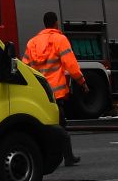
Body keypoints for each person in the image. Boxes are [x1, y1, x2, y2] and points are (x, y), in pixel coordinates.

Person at [24, 10, 88, 167]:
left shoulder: (32, 43)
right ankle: (67, 157)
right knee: (60, 125)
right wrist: (82, 82)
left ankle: (64, 156)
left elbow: (25, 66)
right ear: (55, 23)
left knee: (49, 124)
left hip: (40, 92)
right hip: (57, 92)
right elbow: (71, 66)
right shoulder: (60, 40)